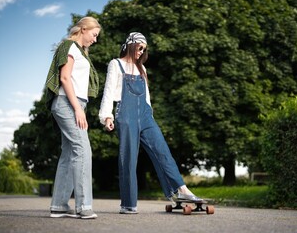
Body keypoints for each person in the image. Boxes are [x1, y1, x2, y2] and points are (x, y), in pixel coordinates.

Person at [99, 32, 202, 214]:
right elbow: (108, 91)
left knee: (162, 151)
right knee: (128, 159)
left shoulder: (142, 69)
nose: (141, 52)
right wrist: (107, 116)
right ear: (131, 44)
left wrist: (150, 116)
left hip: (146, 116)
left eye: (144, 49)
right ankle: (128, 204)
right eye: (140, 48)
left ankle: (181, 190)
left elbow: (146, 98)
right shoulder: (116, 64)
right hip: (126, 114)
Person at [44, 16, 101, 219]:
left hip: (74, 103)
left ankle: (59, 205)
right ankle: (84, 206)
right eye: (94, 35)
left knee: (69, 154)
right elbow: (65, 78)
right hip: (68, 103)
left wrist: (79, 107)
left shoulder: (80, 52)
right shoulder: (69, 46)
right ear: (84, 29)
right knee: (83, 150)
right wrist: (77, 109)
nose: (95, 40)